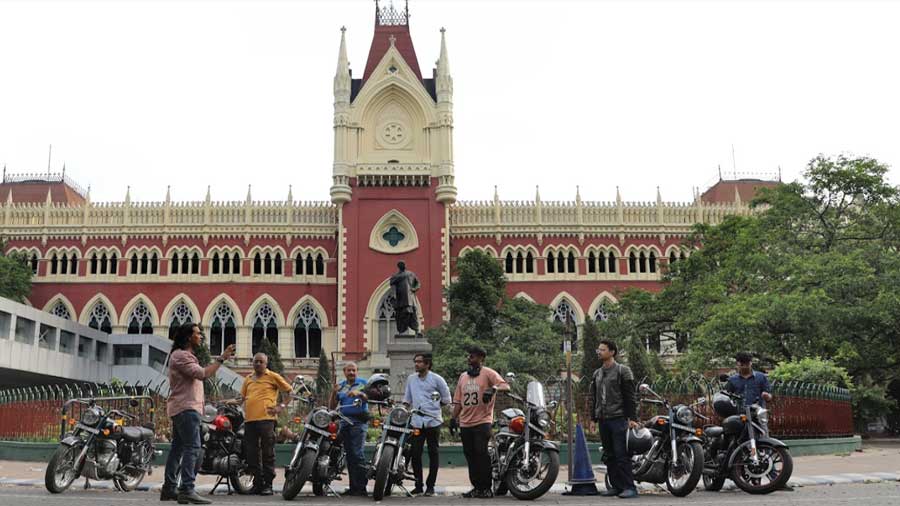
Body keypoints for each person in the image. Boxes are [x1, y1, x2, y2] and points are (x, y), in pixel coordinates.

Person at [161, 323, 235, 504]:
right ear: (188, 337)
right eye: (197, 333)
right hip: (186, 409)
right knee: (192, 447)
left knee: (178, 448)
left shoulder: (185, 356)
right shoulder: (180, 356)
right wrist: (221, 359)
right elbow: (202, 374)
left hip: (185, 408)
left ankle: (169, 488)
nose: (201, 336)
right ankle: (186, 488)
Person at [451, 345, 509, 499]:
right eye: (469, 356)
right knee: (470, 456)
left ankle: (486, 488)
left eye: (473, 356)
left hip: (482, 421)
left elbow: (505, 385)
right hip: (465, 423)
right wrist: (453, 418)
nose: (469, 359)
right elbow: (458, 400)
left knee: (481, 454)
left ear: (481, 359)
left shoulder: (488, 373)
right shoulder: (463, 377)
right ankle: (476, 487)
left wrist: (493, 389)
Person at [235, 352, 293, 495]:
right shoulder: (248, 379)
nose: (258, 364)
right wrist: (231, 401)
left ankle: (268, 485)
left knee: (267, 453)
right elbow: (241, 398)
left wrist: (280, 407)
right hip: (250, 421)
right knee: (251, 454)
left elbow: (290, 393)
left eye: (261, 362)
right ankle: (257, 484)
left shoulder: (273, 376)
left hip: (267, 420)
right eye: (256, 361)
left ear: (266, 364)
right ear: (252, 363)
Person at [590, 339, 639, 499]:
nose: (599, 352)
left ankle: (629, 487)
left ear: (612, 352)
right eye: (599, 349)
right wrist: (593, 418)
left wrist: (632, 418)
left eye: (602, 349)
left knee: (621, 455)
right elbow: (594, 397)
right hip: (603, 419)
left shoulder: (623, 371)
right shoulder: (597, 373)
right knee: (609, 455)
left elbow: (630, 397)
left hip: (618, 419)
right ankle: (616, 486)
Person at [403, 353, 452, 496]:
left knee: (433, 453)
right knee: (415, 453)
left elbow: (446, 399)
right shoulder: (411, 379)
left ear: (427, 364)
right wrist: (402, 409)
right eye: (415, 362)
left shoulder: (437, 379)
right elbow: (407, 399)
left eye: (419, 362)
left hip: (433, 421)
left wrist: (434, 407)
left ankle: (431, 487)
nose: (416, 364)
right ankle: (418, 485)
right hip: (417, 422)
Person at [335, 362, 369, 496]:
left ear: (357, 371)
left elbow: (368, 398)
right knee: (349, 456)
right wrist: (334, 392)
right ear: (344, 371)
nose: (351, 373)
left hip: (358, 423)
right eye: (349, 370)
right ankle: (353, 487)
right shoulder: (341, 385)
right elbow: (333, 405)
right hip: (344, 423)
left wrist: (359, 394)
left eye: (354, 370)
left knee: (358, 454)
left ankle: (362, 488)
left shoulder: (364, 383)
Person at [390, 261, 421, 336]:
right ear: (399, 266)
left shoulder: (410, 274)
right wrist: (393, 295)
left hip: (410, 298)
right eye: (401, 265)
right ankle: (401, 331)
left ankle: (416, 330)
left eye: (403, 264)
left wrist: (414, 289)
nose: (403, 266)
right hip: (401, 299)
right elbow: (392, 285)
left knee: (413, 314)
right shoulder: (396, 276)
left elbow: (418, 283)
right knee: (401, 315)